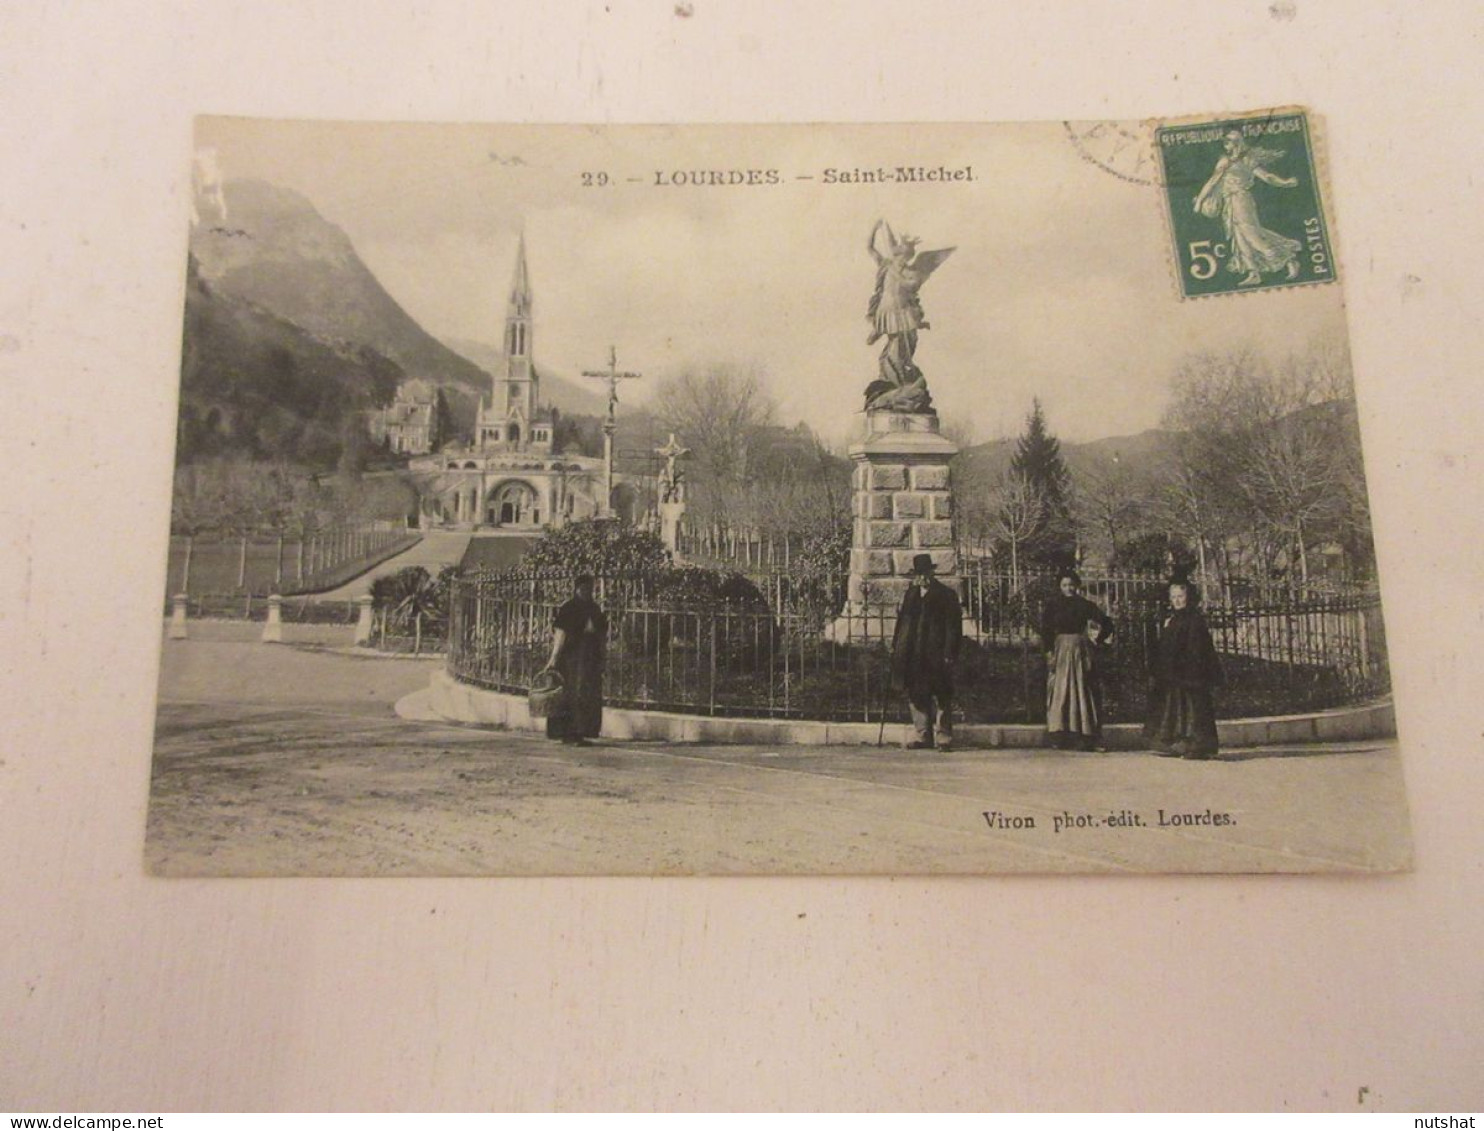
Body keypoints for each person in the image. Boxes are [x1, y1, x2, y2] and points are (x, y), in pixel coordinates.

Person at [1192, 129, 1302, 287]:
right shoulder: (1226, 161)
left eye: (1228, 142)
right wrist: (1200, 201)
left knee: (1252, 235)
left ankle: (1288, 260)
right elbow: (1212, 182)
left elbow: (1266, 177)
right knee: (1239, 237)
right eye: (1224, 142)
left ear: (1236, 143)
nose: (1225, 145)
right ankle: (1253, 273)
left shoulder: (1245, 160)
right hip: (1230, 202)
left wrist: (1285, 183)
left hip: (1241, 200)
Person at [1144, 579, 1224, 760]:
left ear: (1188, 597)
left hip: (1191, 672)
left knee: (1194, 710)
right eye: (1173, 597)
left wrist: (1192, 670)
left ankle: (1198, 747)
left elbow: (1197, 648)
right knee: (1177, 709)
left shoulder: (1194, 619)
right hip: (1175, 672)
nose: (1177, 600)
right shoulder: (1172, 619)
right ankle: (1178, 745)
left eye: (1181, 596)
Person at [891, 554, 963, 750]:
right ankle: (922, 734)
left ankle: (943, 737)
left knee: (942, 695)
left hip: (937, 654)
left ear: (932, 573)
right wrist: (896, 646)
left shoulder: (946, 595)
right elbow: (902, 623)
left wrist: (950, 652)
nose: (922, 578)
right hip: (914, 654)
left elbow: (953, 627)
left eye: (925, 573)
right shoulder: (911, 595)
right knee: (916, 694)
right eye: (918, 574)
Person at [1040, 569, 1115, 751]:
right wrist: (1049, 652)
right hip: (1060, 650)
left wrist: (1096, 640)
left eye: (1071, 585)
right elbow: (1046, 631)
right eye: (1065, 585)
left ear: (1077, 586)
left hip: (1080, 650)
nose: (1068, 589)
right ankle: (1060, 735)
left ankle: (1087, 736)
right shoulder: (1053, 606)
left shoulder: (1084, 605)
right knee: (1061, 690)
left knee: (1082, 689)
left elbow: (1107, 623)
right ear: (1059, 587)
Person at [542, 575, 607, 746]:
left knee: (587, 693)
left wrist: (603, 657)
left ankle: (581, 732)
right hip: (571, 658)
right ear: (576, 589)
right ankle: (568, 733)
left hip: (590, 657)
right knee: (571, 693)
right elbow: (560, 633)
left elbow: (601, 636)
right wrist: (554, 658)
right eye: (583, 588)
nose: (587, 591)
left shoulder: (594, 608)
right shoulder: (569, 608)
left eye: (590, 588)